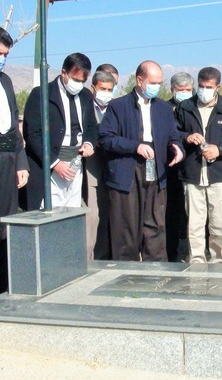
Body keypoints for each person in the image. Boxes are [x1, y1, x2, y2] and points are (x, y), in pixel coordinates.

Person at [99, 60, 184, 261]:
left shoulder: (163, 108)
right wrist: (135, 146)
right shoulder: (118, 106)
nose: (157, 87)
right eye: (153, 82)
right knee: (126, 226)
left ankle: (155, 269)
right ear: (139, 80)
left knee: (155, 223)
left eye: (159, 83)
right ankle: (126, 271)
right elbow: (106, 138)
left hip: (156, 170)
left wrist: (177, 148)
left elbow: (173, 136)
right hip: (127, 171)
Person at [175, 67, 222, 264]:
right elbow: (173, 132)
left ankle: (217, 257)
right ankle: (196, 258)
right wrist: (187, 137)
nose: (204, 91)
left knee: (219, 221)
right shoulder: (185, 107)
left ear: (217, 87)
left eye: (209, 87)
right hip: (193, 173)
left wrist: (219, 150)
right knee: (194, 222)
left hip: (220, 174)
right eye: (201, 86)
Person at [23, 52, 97, 210]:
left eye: (82, 81)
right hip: (49, 167)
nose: (79, 84)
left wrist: (89, 143)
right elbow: (33, 134)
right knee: (50, 213)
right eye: (75, 80)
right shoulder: (42, 94)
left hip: (75, 165)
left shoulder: (85, 96)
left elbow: (91, 126)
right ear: (64, 72)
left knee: (72, 212)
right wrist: (54, 162)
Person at [0, 28, 29, 292]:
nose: (2, 59)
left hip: (8, 160)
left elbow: (14, 126)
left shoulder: (6, 82)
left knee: (6, 224)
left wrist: (21, 163)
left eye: (5, 55)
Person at [85, 68, 117, 260]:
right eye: (102, 89)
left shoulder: (116, 108)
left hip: (113, 170)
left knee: (108, 216)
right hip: (92, 168)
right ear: (93, 88)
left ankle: (104, 257)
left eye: (110, 89)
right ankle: (89, 259)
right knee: (92, 216)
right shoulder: (85, 107)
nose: (106, 93)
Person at [166, 72, 194, 262]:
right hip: (172, 167)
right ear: (172, 90)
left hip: (193, 165)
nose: (184, 93)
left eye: (188, 89)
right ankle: (172, 252)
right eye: (180, 90)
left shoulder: (195, 107)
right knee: (173, 211)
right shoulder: (164, 108)